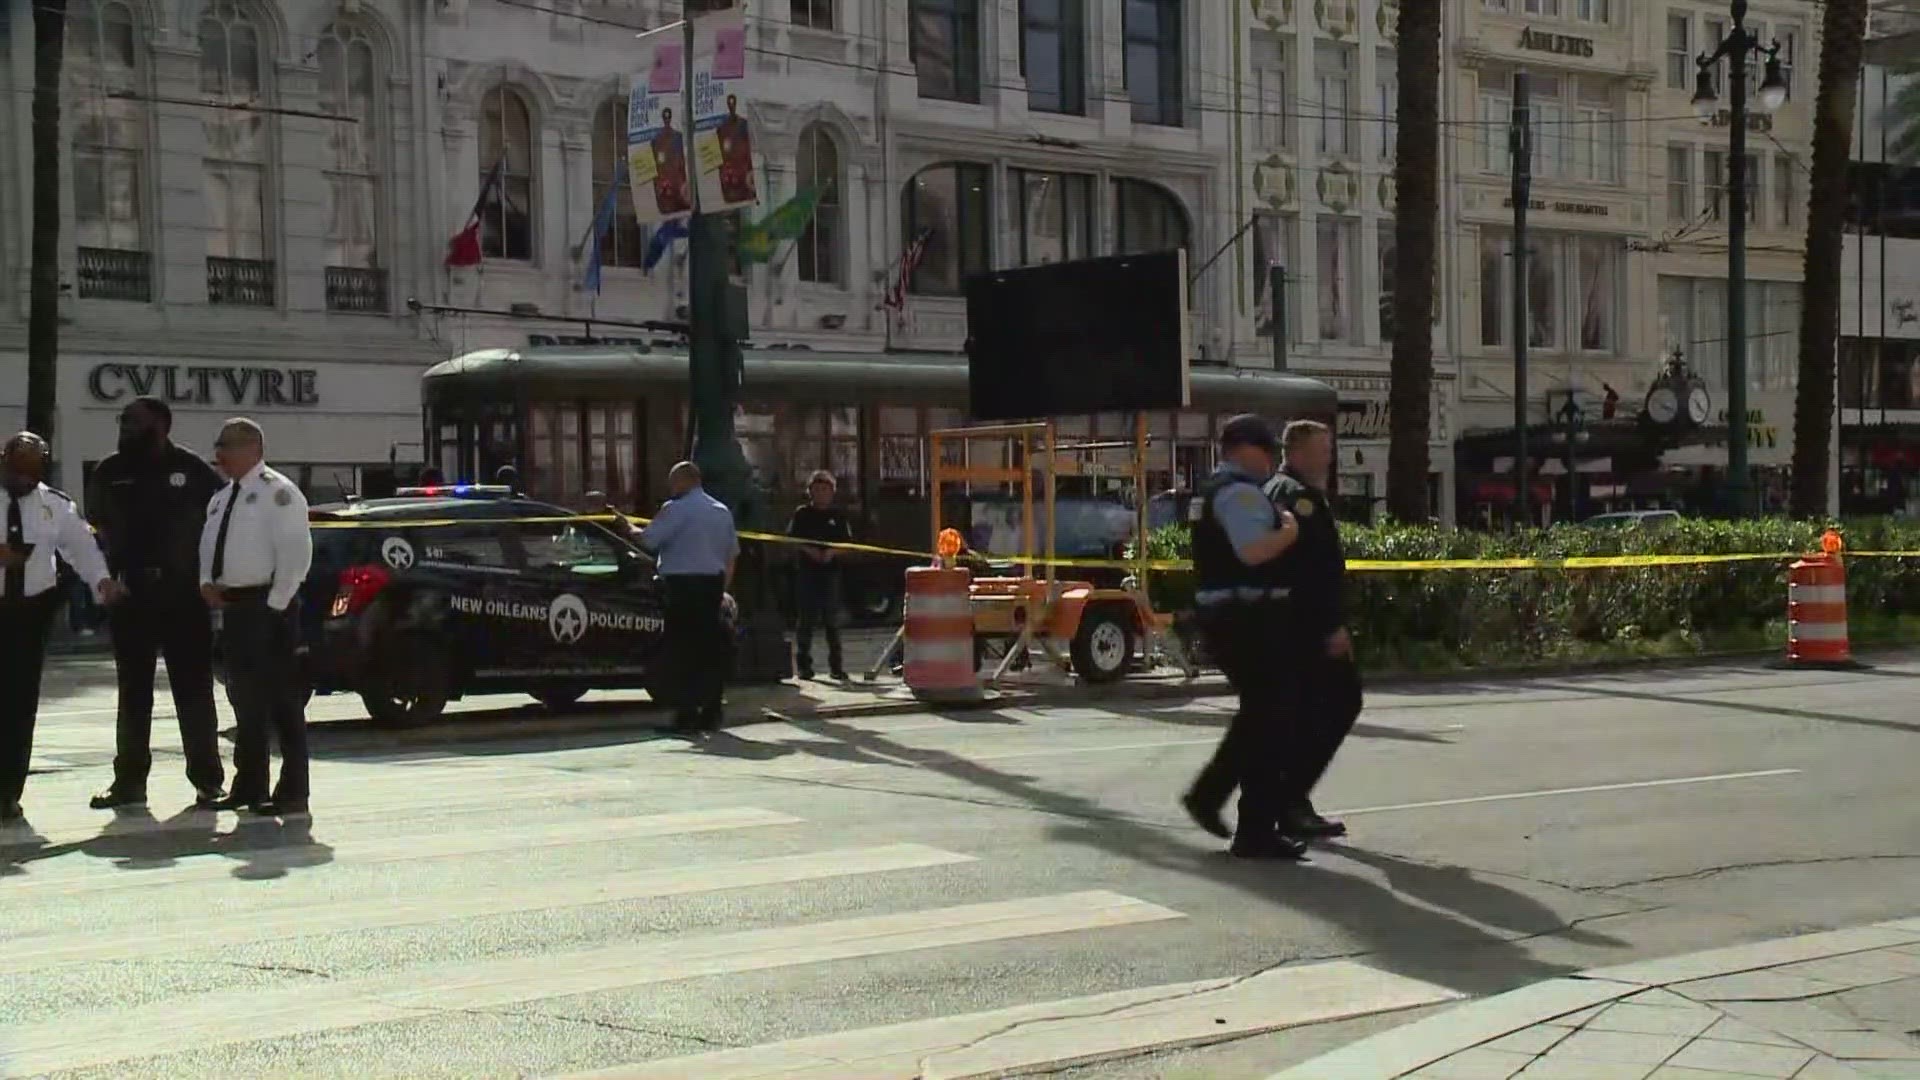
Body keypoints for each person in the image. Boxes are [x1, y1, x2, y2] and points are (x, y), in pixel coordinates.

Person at [84, 396, 228, 811]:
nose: (125, 427)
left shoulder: (193, 470)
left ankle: (207, 781)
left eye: (134, 421)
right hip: (132, 598)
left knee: (194, 691)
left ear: (161, 424)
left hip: (184, 597)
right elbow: (94, 528)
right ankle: (129, 782)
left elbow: (219, 527)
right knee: (133, 693)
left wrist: (209, 579)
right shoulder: (109, 472)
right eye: (123, 420)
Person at [1177, 415, 1306, 860]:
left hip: (1230, 615)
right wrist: (1289, 532)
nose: (1272, 460)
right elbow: (1253, 550)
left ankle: (1233, 811)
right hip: (1248, 617)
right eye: (1267, 450)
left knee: (1262, 718)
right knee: (1273, 719)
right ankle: (1240, 818)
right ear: (1245, 449)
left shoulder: (1214, 489)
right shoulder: (1239, 493)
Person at [1, 432, 121, 823]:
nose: (23, 477)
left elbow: (81, 548)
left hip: (29, 614)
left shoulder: (55, 505)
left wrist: (100, 580)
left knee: (19, 703)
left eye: (32, 471)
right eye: (17, 468)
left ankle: (7, 792)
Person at [199, 419, 313, 817]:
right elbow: (211, 543)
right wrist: (207, 581)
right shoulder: (222, 497)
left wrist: (276, 606)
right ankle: (249, 784)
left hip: (268, 606)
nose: (220, 455)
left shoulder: (278, 493)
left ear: (252, 448)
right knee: (244, 701)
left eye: (226, 446)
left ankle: (293, 789)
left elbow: (296, 555)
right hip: (235, 608)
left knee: (282, 701)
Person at [1262, 419, 1360, 842]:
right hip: (1303, 629)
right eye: (1322, 449)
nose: (1329, 457)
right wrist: (1330, 626)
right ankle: (1291, 801)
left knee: (1307, 713)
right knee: (1337, 703)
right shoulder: (1296, 497)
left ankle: (1289, 802)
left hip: (1289, 626)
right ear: (1297, 452)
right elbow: (1307, 569)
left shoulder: (1281, 490)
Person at [638, 461, 738, 733]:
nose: (670, 488)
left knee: (681, 650)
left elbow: (647, 541)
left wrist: (625, 526)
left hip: (682, 585)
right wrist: (722, 590)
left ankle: (686, 714)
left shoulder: (675, 509)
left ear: (684, 481)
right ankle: (712, 711)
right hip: (712, 585)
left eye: (673, 482)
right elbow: (731, 555)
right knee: (710, 649)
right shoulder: (721, 511)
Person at [785, 470, 851, 681]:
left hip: (830, 573)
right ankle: (804, 666)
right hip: (807, 572)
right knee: (805, 620)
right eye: (817, 490)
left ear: (832, 492)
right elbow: (792, 540)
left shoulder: (838, 516)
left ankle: (836, 667)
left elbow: (848, 543)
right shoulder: (802, 514)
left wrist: (832, 552)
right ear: (810, 492)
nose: (821, 494)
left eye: (826, 490)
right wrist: (809, 551)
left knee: (832, 621)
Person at [651, 107, 691, 215]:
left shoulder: (678, 137)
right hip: (666, 181)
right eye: (665, 117)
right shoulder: (657, 141)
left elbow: (682, 161)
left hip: (676, 182)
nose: (667, 119)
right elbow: (656, 165)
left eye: (668, 117)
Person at [717, 94, 756, 205]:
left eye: (733, 103)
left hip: (744, 177)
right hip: (731, 179)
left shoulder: (744, 125)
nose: (731, 106)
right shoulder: (722, 129)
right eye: (730, 104)